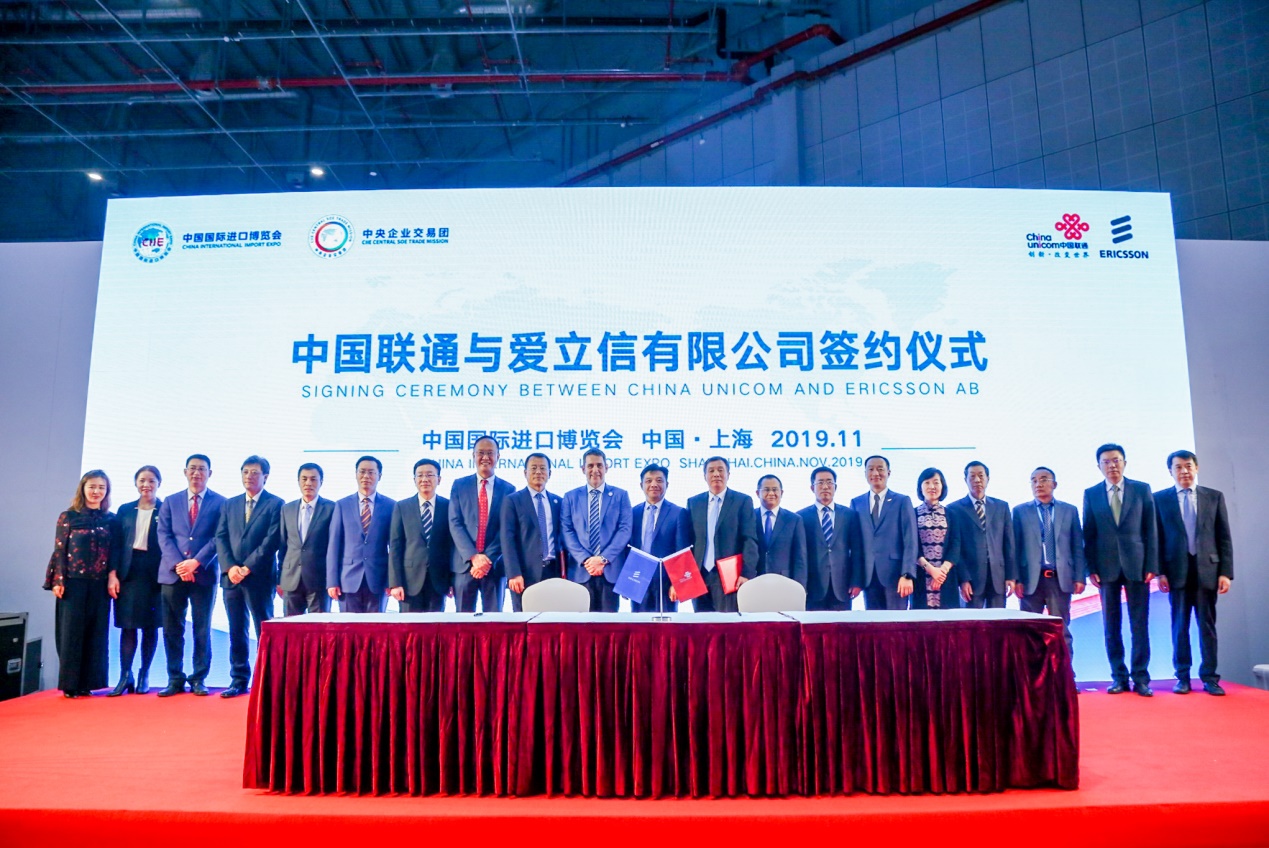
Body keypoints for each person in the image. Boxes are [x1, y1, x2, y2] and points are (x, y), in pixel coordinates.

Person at [1154, 450, 1234, 695]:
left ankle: (1210, 678)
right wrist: (1160, 573)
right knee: (1180, 627)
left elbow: (1223, 537)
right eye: (1178, 467)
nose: (1184, 471)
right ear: (1170, 472)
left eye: (1188, 466)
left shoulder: (1213, 497)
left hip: (1207, 572)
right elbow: (1157, 539)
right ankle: (1182, 677)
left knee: (1207, 627)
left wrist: (1225, 573)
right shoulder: (1159, 499)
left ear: (1196, 468)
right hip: (1176, 573)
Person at [1083, 443, 1158, 696]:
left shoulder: (1141, 489)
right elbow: (1089, 534)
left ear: (1125, 462)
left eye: (1116, 460)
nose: (1112, 465)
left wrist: (1152, 565)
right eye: (1106, 462)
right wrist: (1091, 568)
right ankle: (1119, 677)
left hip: (1138, 566)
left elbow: (1151, 529)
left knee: (1139, 625)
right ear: (1099, 466)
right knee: (1111, 626)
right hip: (1106, 568)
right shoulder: (1091, 493)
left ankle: (1141, 678)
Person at [43, 470, 120, 698]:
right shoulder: (68, 516)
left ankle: (88, 683)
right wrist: (58, 580)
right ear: (83, 489)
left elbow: (115, 552)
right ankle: (70, 684)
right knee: (71, 633)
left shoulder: (112, 520)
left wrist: (112, 576)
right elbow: (59, 550)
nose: (96, 491)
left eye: (101, 487)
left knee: (96, 633)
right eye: (92, 486)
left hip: (100, 584)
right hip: (73, 583)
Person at [156, 454, 225, 697]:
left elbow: (219, 537)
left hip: (203, 573)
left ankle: (199, 678)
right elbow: (163, 534)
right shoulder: (170, 501)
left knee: (202, 628)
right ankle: (174, 678)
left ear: (209, 473)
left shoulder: (221, 503)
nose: (197, 473)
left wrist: (196, 562)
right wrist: (179, 564)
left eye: (202, 469)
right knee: (172, 628)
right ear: (185, 472)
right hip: (172, 574)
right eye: (192, 468)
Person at [214, 455, 283, 697]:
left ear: (266, 476)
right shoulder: (229, 504)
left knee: (263, 630)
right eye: (245, 472)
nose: (249, 476)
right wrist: (230, 567)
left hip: (259, 577)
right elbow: (220, 537)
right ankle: (238, 680)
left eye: (255, 472)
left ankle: (266, 680)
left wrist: (247, 567)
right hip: (231, 578)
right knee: (236, 630)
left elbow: (271, 541)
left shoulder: (275, 504)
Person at [1012, 466, 1085, 672]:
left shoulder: (1069, 511)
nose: (1038, 484)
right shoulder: (1020, 512)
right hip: (1030, 581)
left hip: (1059, 579)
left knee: (1061, 631)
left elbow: (1077, 546)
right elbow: (1015, 548)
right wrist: (1016, 579)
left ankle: (1065, 676)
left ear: (1054, 484)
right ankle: (1032, 677)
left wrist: (1079, 576)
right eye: (1034, 480)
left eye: (1044, 479)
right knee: (1030, 632)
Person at [106, 466, 163, 696]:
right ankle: (125, 675)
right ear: (136, 483)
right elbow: (115, 544)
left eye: (151, 480)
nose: (146, 485)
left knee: (151, 626)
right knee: (128, 626)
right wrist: (112, 574)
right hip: (128, 573)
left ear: (159, 483)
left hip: (155, 575)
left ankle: (144, 674)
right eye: (142, 480)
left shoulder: (165, 509)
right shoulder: (125, 509)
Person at [561, 448, 633, 612]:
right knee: (581, 624)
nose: (595, 470)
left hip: (610, 570)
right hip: (581, 571)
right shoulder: (570, 497)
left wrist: (603, 559)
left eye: (599, 465)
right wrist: (587, 560)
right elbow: (566, 531)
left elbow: (624, 530)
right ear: (583, 469)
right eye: (590, 466)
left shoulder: (620, 495)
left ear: (606, 468)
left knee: (609, 624)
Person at [448, 436, 515, 612]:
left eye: (490, 453)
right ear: (473, 456)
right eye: (481, 453)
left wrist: (486, 559)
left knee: (494, 622)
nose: (485, 457)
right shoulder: (459, 485)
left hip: (494, 566)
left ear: (498, 456)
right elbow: (455, 522)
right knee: (462, 622)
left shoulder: (508, 489)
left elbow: (506, 529)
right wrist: (473, 556)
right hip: (464, 566)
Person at [684, 456, 758, 612]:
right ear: (705, 476)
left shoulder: (742, 501)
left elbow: (749, 540)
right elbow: (687, 542)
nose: (716, 474)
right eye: (711, 471)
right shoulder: (694, 502)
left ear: (728, 474)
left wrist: (746, 573)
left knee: (726, 623)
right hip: (699, 576)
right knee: (700, 623)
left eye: (720, 470)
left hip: (729, 576)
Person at [326, 455, 394, 613]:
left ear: (379, 476)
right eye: (362, 472)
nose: (366, 476)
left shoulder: (391, 505)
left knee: (376, 627)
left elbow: (394, 547)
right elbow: (334, 545)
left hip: (378, 580)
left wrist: (392, 581)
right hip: (347, 580)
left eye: (371, 472)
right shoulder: (342, 505)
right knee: (349, 627)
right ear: (356, 474)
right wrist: (332, 581)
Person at [849, 455, 918, 610]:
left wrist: (907, 574)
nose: (875, 473)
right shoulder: (857, 503)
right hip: (869, 577)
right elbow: (856, 546)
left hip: (896, 576)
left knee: (896, 622)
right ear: (865, 473)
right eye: (871, 469)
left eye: (880, 469)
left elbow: (910, 540)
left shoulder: (902, 501)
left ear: (889, 473)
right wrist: (856, 579)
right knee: (874, 623)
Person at [500, 453, 564, 612]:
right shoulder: (513, 500)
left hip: (553, 572)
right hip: (524, 574)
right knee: (524, 621)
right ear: (525, 473)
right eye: (533, 468)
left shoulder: (558, 501)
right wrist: (513, 573)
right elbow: (507, 539)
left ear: (550, 473)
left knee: (552, 620)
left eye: (543, 468)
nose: (538, 472)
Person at [947, 461, 1016, 609]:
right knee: (971, 621)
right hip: (971, 580)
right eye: (972, 476)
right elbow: (955, 548)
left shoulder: (1002, 506)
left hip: (998, 577)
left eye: (981, 476)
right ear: (965, 480)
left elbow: (1009, 544)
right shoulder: (954, 509)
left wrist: (1011, 576)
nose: (977, 480)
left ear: (988, 478)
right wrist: (963, 579)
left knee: (998, 621)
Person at [389, 459, 454, 613]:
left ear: (439, 479)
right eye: (420, 475)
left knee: (435, 625)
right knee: (409, 627)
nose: (425, 479)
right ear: (414, 480)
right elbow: (395, 546)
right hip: (409, 582)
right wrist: (395, 583)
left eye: (430, 475)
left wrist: (452, 581)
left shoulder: (448, 506)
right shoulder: (402, 507)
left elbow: (452, 546)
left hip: (439, 580)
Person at [798, 467, 862, 610]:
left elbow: (857, 551)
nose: (825, 486)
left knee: (842, 624)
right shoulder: (801, 517)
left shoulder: (849, 515)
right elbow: (800, 555)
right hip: (813, 587)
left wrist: (856, 581)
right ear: (812, 488)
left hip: (843, 586)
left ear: (835, 487)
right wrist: (801, 585)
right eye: (820, 483)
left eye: (829, 482)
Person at [630, 463, 690, 613]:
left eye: (659, 480)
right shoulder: (632, 513)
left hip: (665, 583)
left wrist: (678, 583)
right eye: (648, 481)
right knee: (637, 624)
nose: (654, 484)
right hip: (637, 580)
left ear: (667, 484)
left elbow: (682, 551)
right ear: (641, 485)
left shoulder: (678, 513)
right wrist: (626, 583)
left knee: (666, 625)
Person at [277, 463, 335, 615]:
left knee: (319, 627)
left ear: (321, 482)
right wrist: (280, 579)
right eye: (304, 479)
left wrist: (333, 580)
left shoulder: (332, 508)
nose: (308, 483)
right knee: (290, 626)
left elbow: (335, 547)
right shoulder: (287, 509)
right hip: (290, 579)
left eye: (313, 479)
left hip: (319, 580)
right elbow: (283, 547)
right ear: (298, 481)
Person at [913, 467, 959, 610]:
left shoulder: (951, 514)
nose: (932, 486)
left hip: (946, 577)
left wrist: (941, 572)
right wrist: (931, 570)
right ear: (920, 487)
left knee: (948, 619)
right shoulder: (912, 514)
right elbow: (911, 546)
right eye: (927, 483)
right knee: (921, 620)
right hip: (921, 575)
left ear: (942, 486)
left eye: (936, 482)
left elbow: (956, 545)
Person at [755, 474, 809, 588]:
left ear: (782, 493)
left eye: (775, 490)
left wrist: (800, 588)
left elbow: (800, 558)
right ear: (757, 493)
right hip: (754, 581)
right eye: (766, 490)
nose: (771, 493)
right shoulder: (749, 517)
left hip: (785, 582)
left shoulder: (794, 520)